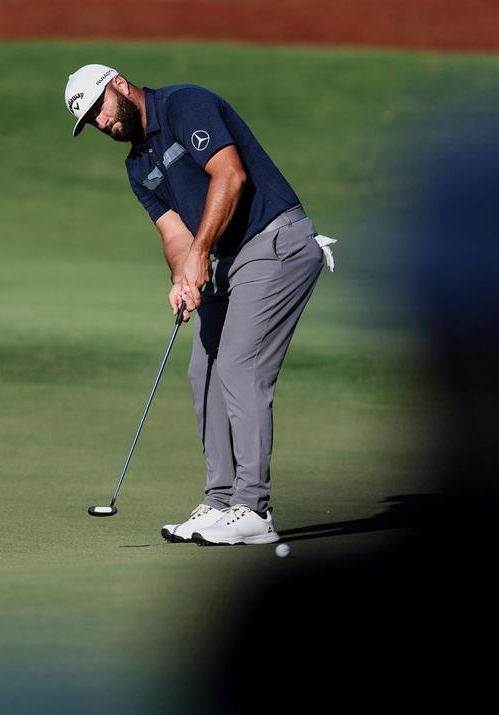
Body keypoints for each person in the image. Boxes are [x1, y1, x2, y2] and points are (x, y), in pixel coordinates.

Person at [64, 64, 335, 545]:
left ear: (119, 85)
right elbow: (174, 233)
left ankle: (254, 508)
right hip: (225, 262)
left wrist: (200, 255)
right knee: (203, 371)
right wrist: (182, 277)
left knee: (237, 364)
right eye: (90, 123)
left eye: (98, 110)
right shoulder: (136, 165)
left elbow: (229, 176)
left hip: (275, 243)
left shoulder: (184, 103)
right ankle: (221, 500)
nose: (101, 125)